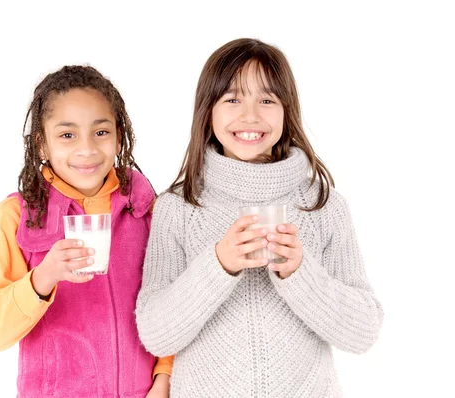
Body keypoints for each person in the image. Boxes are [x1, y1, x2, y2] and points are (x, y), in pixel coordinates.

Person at [135, 38, 383, 397]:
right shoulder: (179, 208)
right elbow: (157, 335)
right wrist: (219, 264)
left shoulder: (322, 205)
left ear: (287, 111)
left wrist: (299, 273)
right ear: (208, 111)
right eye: (233, 98)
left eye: (267, 99)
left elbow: (362, 333)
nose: (250, 115)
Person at [0, 65, 172, 397]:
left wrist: (163, 377)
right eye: (67, 135)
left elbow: (170, 301)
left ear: (119, 136)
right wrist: (43, 277)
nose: (87, 150)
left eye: (100, 132)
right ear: (41, 144)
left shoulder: (144, 209)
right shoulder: (16, 216)